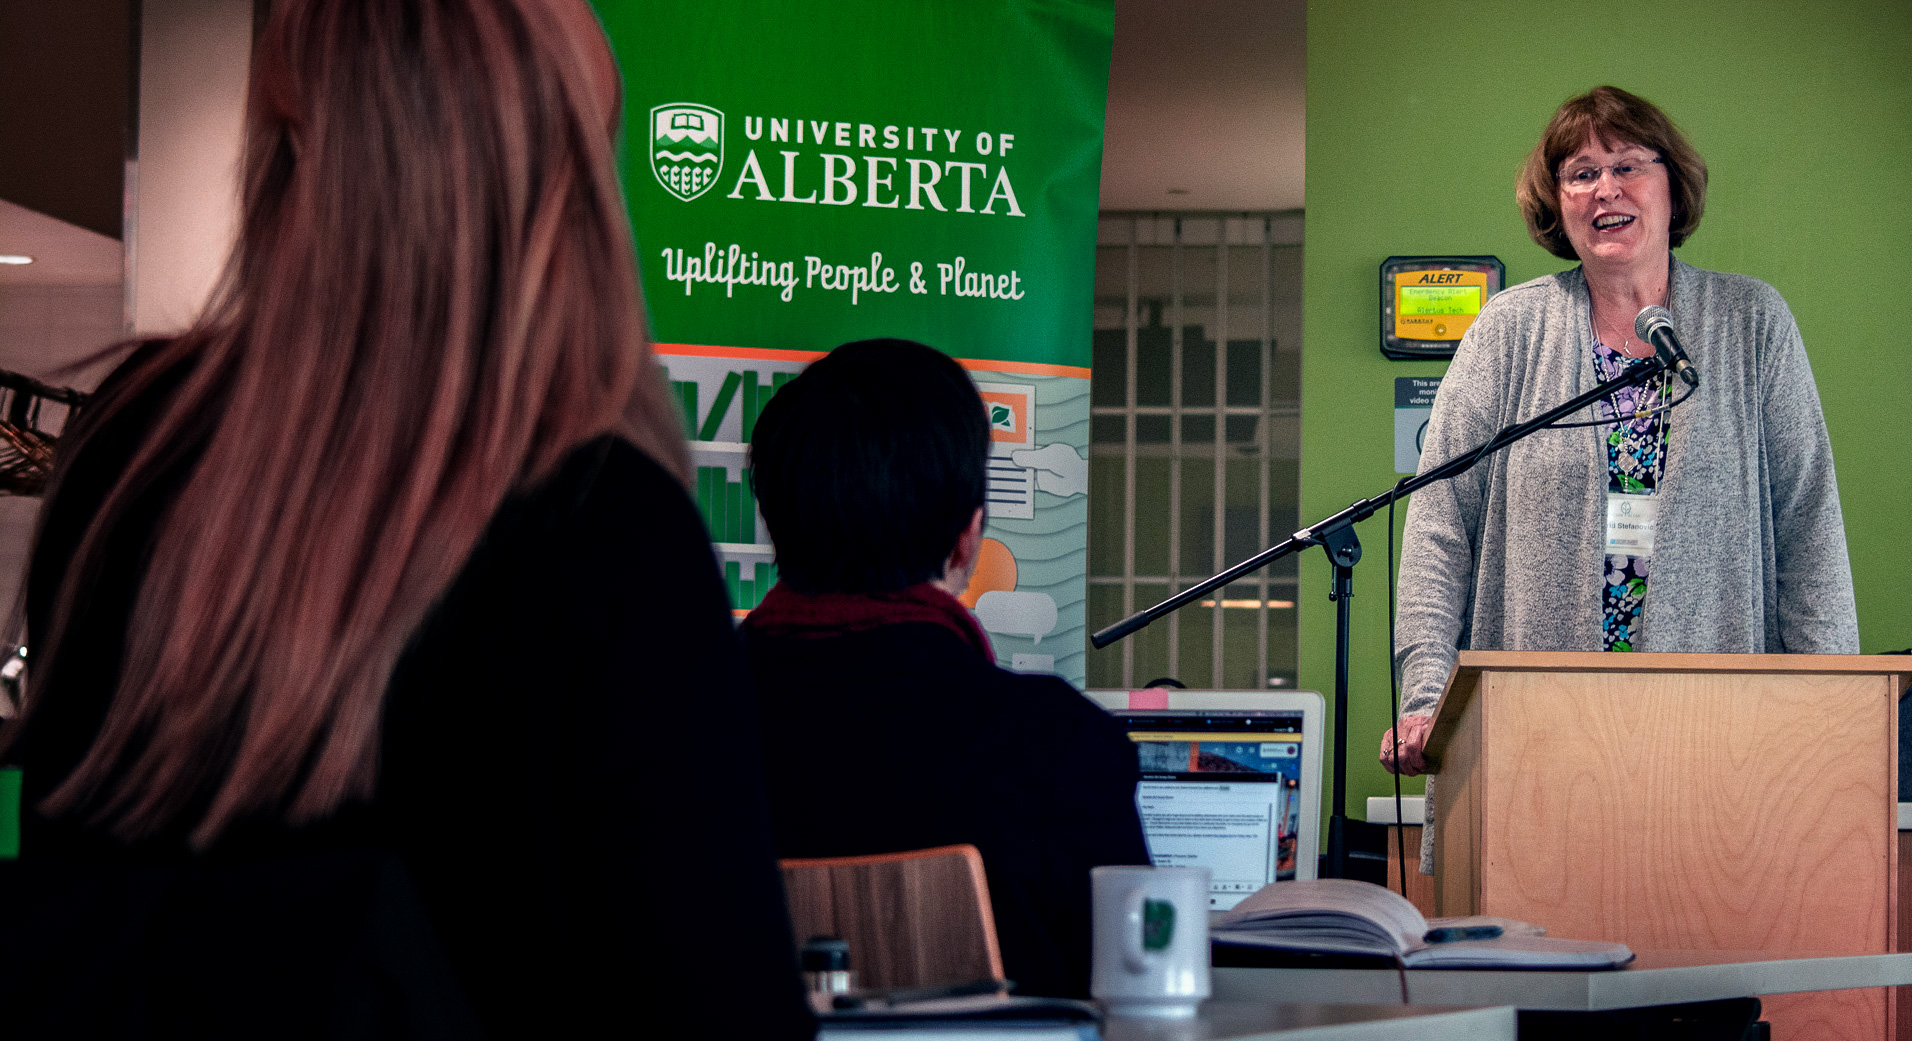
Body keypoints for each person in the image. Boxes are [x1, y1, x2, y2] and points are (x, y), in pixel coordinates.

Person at [0, 1, 814, 1036]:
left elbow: (73, 890)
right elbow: (718, 998)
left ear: (291, 148)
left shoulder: (138, 450)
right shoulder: (600, 517)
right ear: (563, 176)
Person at [1381, 86, 1857, 781]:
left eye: (1629, 165)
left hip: (1715, 737)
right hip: (1537, 738)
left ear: (1673, 187)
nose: (1606, 188)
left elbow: (1808, 524)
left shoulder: (1751, 323)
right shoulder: (1508, 333)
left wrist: (1829, 707)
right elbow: (1438, 524)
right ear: (1558, 202)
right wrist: (1427, 696)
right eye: (1580, 174)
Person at [743, 339, 1151, 1000]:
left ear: (771, 520)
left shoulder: (660, 736)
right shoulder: (1058, 747)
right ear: (969, 536)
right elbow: (1141, 1001)